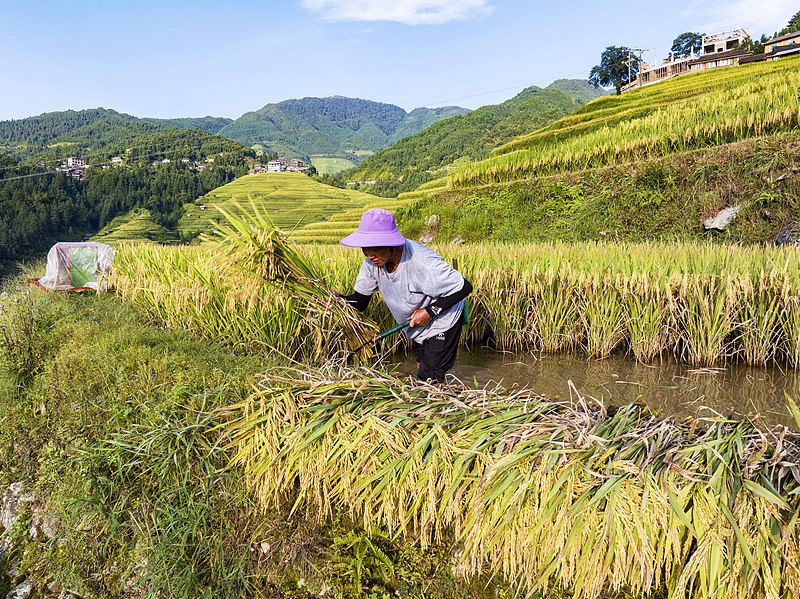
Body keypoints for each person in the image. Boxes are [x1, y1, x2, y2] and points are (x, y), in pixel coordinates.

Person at [335, 208, 472, 383]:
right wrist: (339, 300)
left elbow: (464, 287)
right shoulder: (371, 263)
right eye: (365, 249)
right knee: (421, 366)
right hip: (416, 325)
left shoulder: (423, 262)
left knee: (429, 379)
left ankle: (438, 396)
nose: (370, 255)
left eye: (375, 248)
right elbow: (360, 301)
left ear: (392, 243)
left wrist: (428, 312)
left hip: (443, 320)